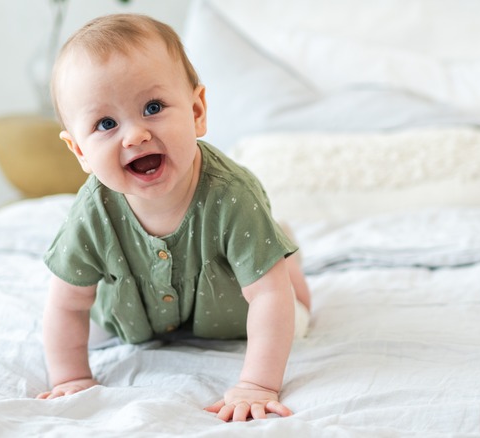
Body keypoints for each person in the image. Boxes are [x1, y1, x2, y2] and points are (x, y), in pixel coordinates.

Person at [35, 13, 311, 423]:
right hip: (132, 316)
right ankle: (271, 246)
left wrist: (256, 384)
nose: (135, 136)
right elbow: (66, 305)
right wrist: (72, 377)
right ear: (79, 152)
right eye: (105, 124)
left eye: (153, 107)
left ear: (197, 110)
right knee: (87, 330)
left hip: (229, 312)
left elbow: (268, 298)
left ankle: (281, 252)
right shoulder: (92, 211)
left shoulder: (232, 195)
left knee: (297, 315)